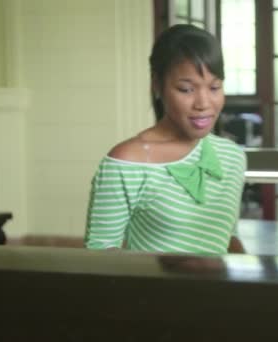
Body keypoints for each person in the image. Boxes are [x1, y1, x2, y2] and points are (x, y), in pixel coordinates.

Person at [85, 24, 246, 254]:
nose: (203, 103)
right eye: (186, 89)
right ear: (157, 85)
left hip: (219, 289)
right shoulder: (126, 162)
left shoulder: (232, 156)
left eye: (214, 87)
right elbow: (100, 252)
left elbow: (228, 236)